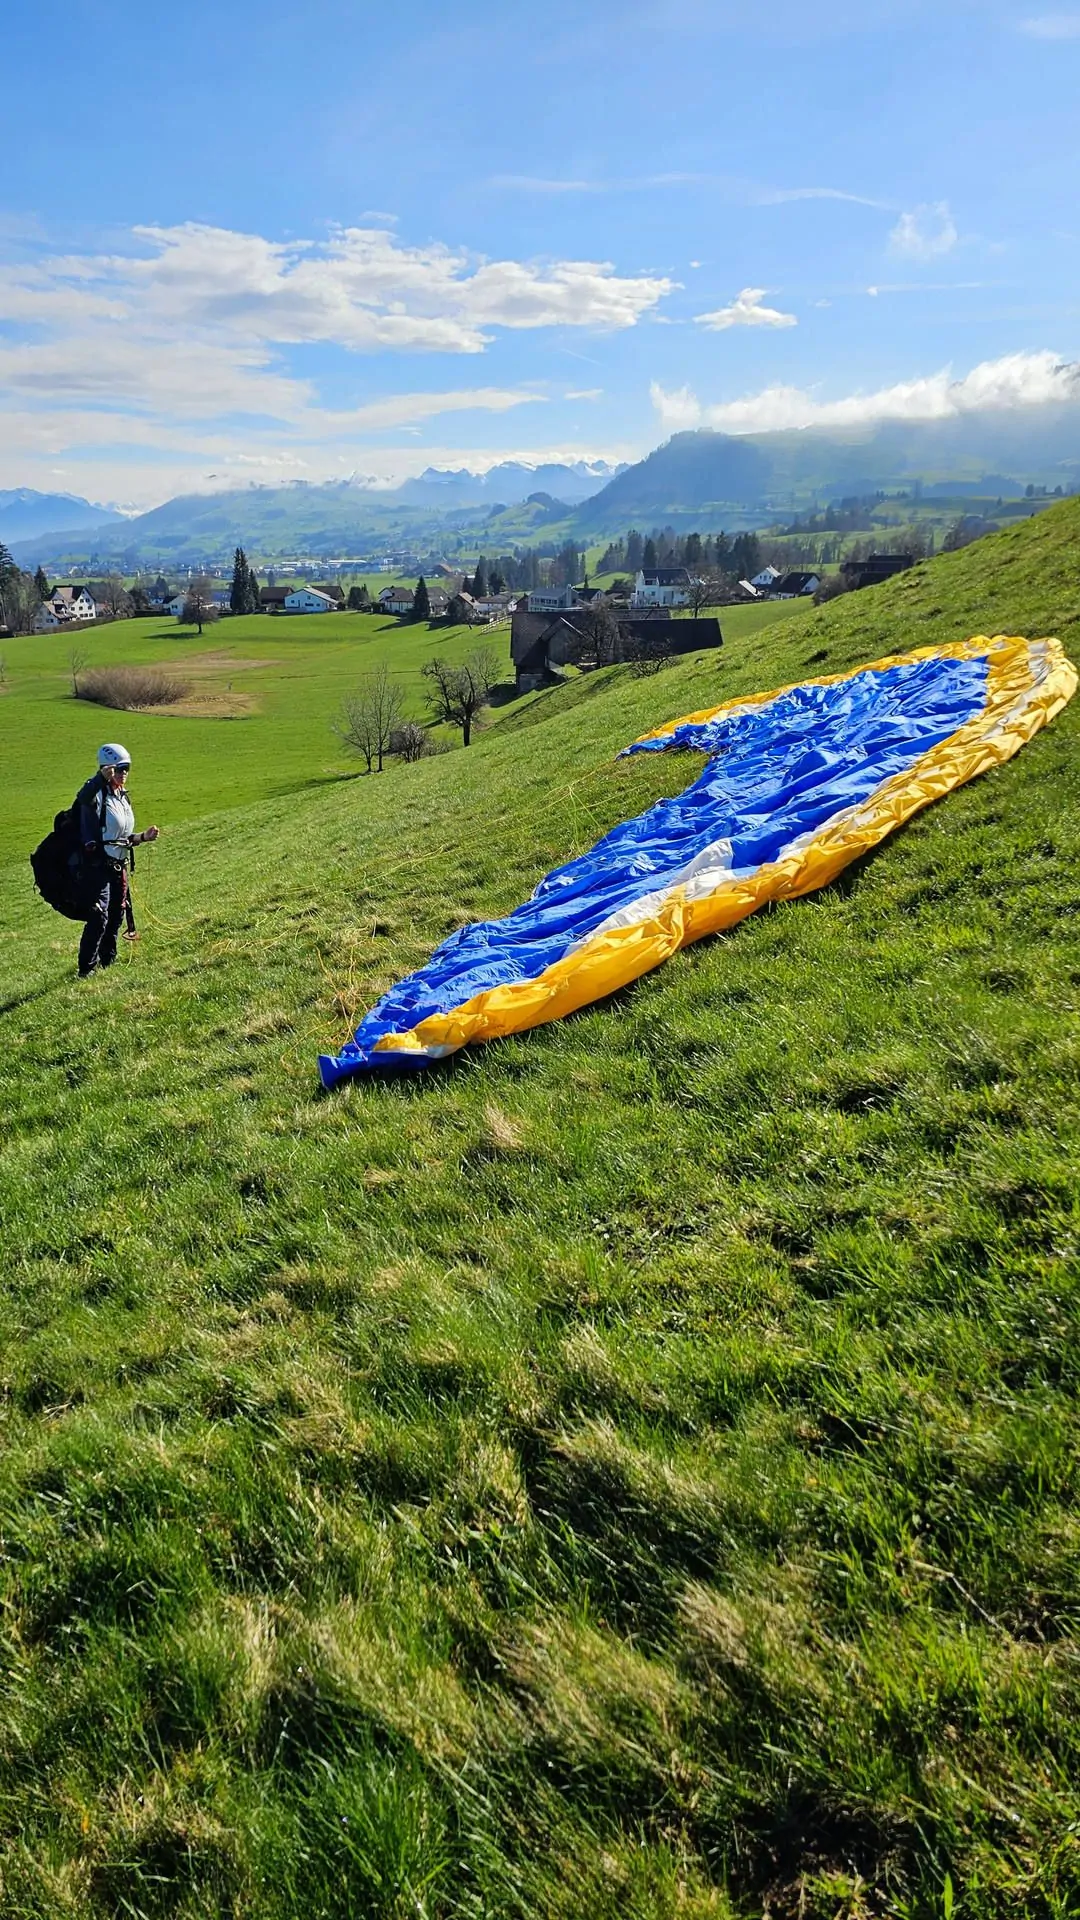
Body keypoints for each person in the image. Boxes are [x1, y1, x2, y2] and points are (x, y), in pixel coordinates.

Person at [76, 743, 159, 977]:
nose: (124, 774)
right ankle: (86, 969)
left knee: (116, 915)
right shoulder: (97, 795)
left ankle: (108, 962)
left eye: (127, 769)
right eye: (120, 769)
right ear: (108, 768)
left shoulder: (123, 798)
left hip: (118, 864)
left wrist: (143, 837)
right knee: (98, 916)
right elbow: (82, 798)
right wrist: (98, 779)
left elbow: (122, 838)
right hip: (98, 866)